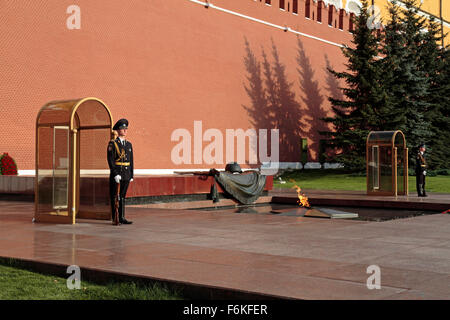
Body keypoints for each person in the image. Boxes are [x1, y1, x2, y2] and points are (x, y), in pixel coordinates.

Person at [107, 119, 134, 224]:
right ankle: (115, 218)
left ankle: (122, 217)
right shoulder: (113, 144)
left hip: (126, 174)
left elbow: (131, 160)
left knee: (122, 196)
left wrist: (131, 174)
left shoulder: (129, 144)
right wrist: (115, 174)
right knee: (115, 196)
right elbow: (111, 160)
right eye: (123, 129)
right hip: (117, 174)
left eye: (126, 128)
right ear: (118, 130)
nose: (125, 130)